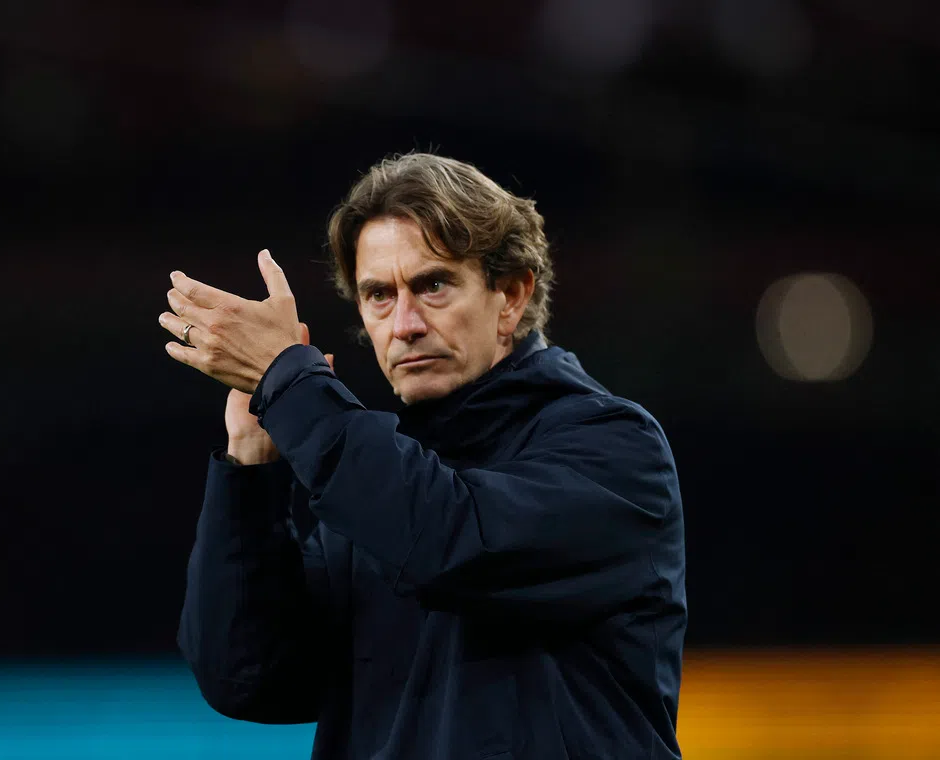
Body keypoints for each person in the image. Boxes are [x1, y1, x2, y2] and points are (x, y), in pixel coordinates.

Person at [161, 153, 687, 759]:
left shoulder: (613, 445)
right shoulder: (376, 485)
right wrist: (251, 472)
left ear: (511, 295)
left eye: (433, 284)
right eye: (378, 294)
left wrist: (292, 385)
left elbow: (451, 540)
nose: (404, 323)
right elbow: (248, 680)